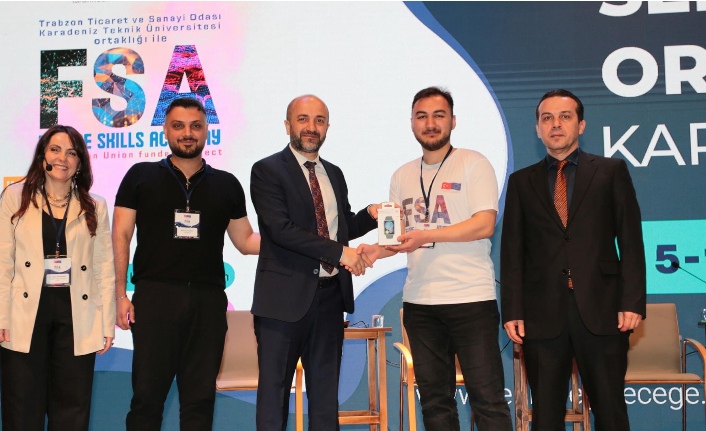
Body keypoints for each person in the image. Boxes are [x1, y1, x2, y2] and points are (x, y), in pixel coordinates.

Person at [358, 87, 512, 431]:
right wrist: (375, 251)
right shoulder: (401, 175)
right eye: (422, 116)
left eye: (438, 115)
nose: (430, 123)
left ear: (453, 121)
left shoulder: (473, 163)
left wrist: (427, 235)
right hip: (421, 304)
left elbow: (484, 224)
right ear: (412, 123)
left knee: (488, 402)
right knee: (434, 404)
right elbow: (401, 237)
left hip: (470, 299)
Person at [500, 89, 646, 431]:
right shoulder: (521, 182)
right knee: (546, 415)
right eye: (547, 118)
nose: (556, 124)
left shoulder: (611, 171)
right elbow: (512, 251)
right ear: (537, 129)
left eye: (565, 117)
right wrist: (513, 309)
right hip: (542, 313)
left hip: (603, 309)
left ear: (581, 125)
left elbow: (631, 240)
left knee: (610, 411)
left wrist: (632, 301)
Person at [112, 97, 260, 431]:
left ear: (207, 131)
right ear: (165, 131)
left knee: (200, 402)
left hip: (208, 303)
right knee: (146, 400)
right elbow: (120, 235)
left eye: (195, 126)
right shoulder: (140, 176)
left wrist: (293, 241)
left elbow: (245, 240)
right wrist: (120, 295)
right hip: (155, 299)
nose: (187, 133)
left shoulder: (226, 184)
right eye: (178, 126)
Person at [250, 94, 379, 431]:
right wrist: (340, 253)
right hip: (281, 302)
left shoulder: (333, 173)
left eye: (319, 120)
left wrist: (370, 215)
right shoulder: (266, 170)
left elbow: (340, 227)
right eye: (303, 119)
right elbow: (281, 230)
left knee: (324, 400)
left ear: (327, 127)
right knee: (274, 396)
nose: (311, 127)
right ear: (288, 125)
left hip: (330, 299)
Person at [0, 125, 115, 431]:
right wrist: (2, 316)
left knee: (72, 410)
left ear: (80, 163)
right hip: (25, 314)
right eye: (55, 150)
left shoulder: (95, 205)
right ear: (42, 157)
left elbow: (104, 267)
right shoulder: (15, 197)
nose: (62, 158)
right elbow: (3, 261)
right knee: (22, 407)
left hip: (77, 315)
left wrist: (106, 323)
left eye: (71, 152)